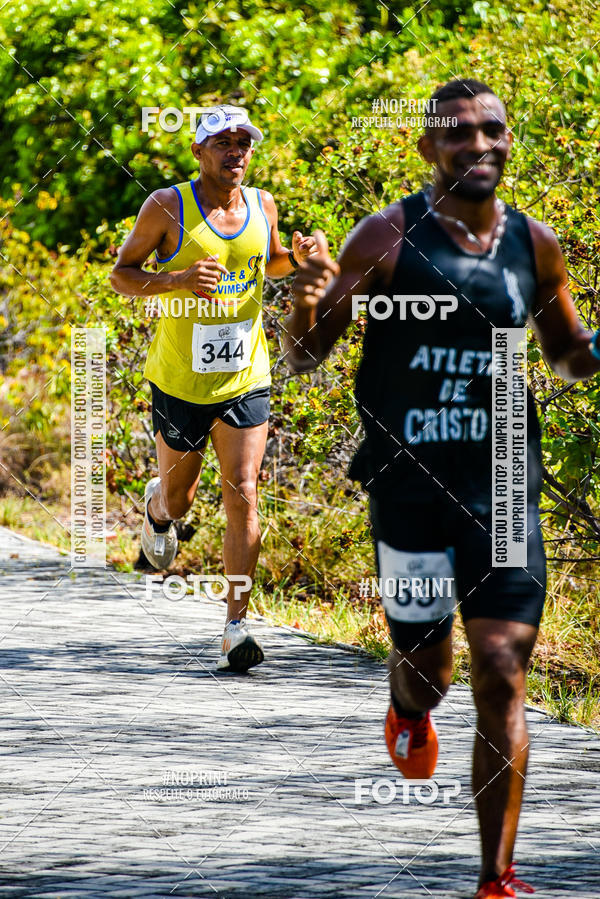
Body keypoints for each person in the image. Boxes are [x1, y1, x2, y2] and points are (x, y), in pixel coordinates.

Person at [284, 79, 600, 898]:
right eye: (459, 133)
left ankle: (497, 876)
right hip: (409, 486)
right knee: (430, 672)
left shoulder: (535, 245)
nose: (479, 144)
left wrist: (597, 344)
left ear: (508, 139)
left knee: (502, 666)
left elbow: (567, 356)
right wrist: (304, 301)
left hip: (503, 479)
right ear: (428, 147)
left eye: (493, 129)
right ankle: (410, 706)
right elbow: (307, 355)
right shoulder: (385, 237)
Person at [111, 104, 316, 672]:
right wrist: (177, 278)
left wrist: (296, 260)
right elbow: (122, 274)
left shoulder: (262, 204)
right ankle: (158, 507)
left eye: (243, 142)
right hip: (180, 379)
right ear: (198, 151)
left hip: (245, 375)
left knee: (244, 491)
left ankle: (235, 626)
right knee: (180, 500)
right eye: (222, 143)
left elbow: (269, 262)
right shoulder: (167, 206)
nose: (235, 152)